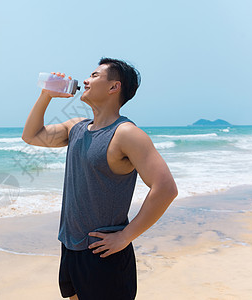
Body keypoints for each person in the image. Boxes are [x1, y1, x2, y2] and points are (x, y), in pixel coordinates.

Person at [21, 58, 178, 300]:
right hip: (71, 247)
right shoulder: (77, 127)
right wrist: (46, 96)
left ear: (114, 87)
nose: (85, 80)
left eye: (94, 76)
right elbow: (32, 136)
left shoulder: (126, 134)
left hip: (104, 251)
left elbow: (166, 188)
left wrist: (126, 236)